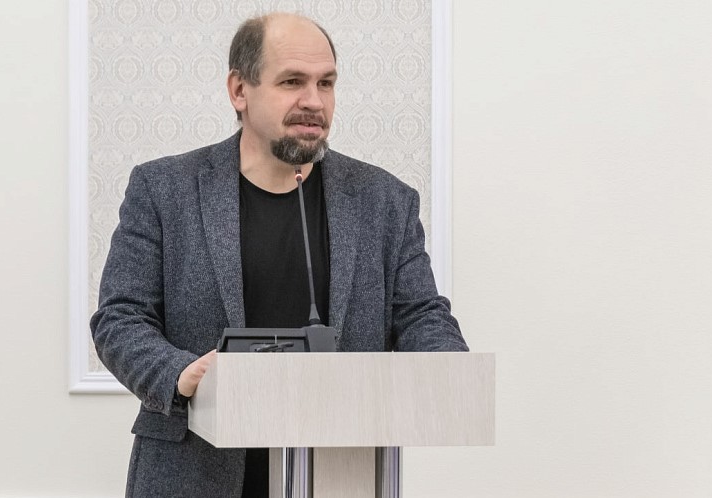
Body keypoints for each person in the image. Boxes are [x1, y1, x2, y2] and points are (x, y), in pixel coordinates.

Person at [90, 12, 468, 498]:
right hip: (192, 472)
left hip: (339, 473)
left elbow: (420, 314)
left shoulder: (385, 200)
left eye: (326, 83)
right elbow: (120, 318)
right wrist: (183, 374)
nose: (314, 101)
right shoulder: (163, 189)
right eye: (292, 82)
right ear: (239, 90)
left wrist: (448, 369)